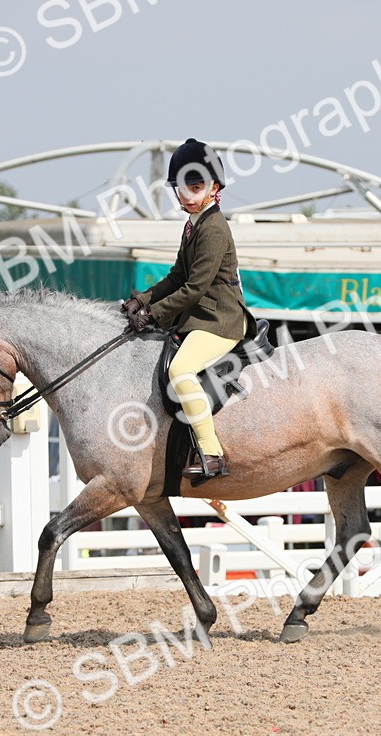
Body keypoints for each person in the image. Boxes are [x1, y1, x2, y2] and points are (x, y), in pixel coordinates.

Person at [122, 138, 257, 483]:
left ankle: (211, 453)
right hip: (202, 315)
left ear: (214, 187)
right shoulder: (192, 224)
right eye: (181, 189)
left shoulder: (213, 228)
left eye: (195, 188)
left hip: (221, 319)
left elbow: (194, 288)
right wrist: (143, 300)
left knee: (181, 370)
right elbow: (176, 277)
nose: (187, 196)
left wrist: (152, 316)